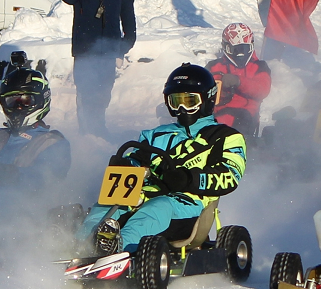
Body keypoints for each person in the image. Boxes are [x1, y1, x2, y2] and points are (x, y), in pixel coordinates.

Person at [80, 63, 247, 255]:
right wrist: (126, 165)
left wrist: (188, 178)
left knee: (155, 209)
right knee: (106, 205)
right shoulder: (154, 134)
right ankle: (78, 246)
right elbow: (137, 159)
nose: (182, 108)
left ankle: (118, 250)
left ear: (206, 99)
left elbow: (229, 176)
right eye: (176, 101)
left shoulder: (225, 137)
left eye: (189, 101)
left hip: (187, 202)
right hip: (142, 195)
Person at [60, 0, 136, 136]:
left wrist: (128, 39)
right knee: (85, 91)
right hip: (85, 46)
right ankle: (86, 132)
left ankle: (99, 128)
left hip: (109, 45)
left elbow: (127, 7)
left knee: (103, 90)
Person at [0, 65, 70, 188]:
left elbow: (46, 179)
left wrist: (7, 173)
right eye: (12, 101)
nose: (18, 107)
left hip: (25, 200)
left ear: (41, 101)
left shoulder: (52, 142)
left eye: (25, 101)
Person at [205, 23, 272, 138]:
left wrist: (239, 81)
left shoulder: (259, 67)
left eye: (244, 49)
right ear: (226, 47)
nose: (241, 54)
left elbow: (263, 90)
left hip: (245, 117)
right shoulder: (214, 67)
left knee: (237, 125)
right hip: (216, 116)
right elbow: (200, 86)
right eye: (236, 50)